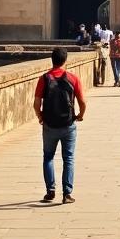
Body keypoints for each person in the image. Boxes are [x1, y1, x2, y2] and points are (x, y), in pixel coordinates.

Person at [33, 47, 87, 204]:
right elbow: (82, 103)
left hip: (49, 124)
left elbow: (36, 103)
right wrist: (80, 116)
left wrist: (40, 116)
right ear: (65, 60)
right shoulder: (72, 78)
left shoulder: (44, 78)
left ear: (52, 59)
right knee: (68, 158)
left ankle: (50, 191)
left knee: (48, 157)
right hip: (68, 124)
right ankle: (67, 193)